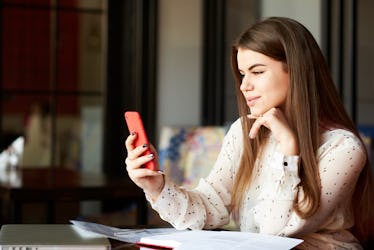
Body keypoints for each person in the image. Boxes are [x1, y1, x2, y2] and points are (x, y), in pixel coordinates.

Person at [125, 17, 373, 249]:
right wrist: (157, 186)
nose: (244, 86)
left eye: (257, 72)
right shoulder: (244, 132)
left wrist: (288, 147)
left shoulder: (343, 147)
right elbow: (211, 207)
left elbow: (275, 231)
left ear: (296, 72)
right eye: (243, 74)